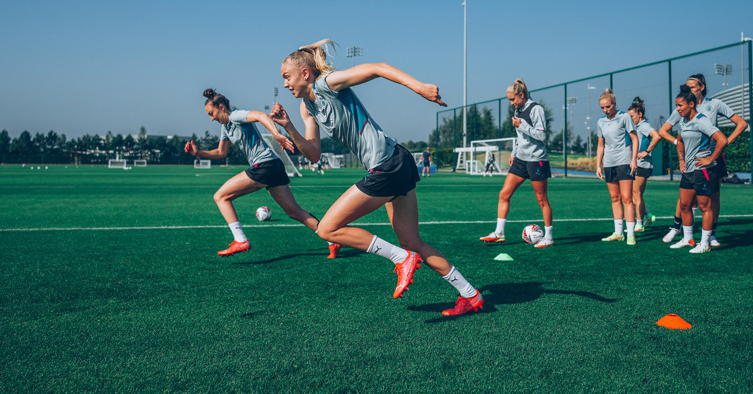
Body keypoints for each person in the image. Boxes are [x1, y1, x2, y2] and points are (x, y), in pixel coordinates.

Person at [272, 39, 486, 315]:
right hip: (396, 162)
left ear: (305, 73)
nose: (286, 84)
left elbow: (378, 68)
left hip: (388, 165)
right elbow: (313, 153)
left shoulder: (328, 84)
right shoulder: (307, 107)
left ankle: (401, 259)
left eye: (287, 77)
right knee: (411, 241)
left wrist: (419, 87)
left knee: (327, 229)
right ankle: (470, 295)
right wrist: (288, 126)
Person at [184, 89, 340, 259]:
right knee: (294, 212)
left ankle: (240, 239)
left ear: (221, 107)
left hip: (264, 166)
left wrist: (277, 135)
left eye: (211, 113)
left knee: (221, 197)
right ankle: (332, 240)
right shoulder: (226, 127)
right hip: (273, 166)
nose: (211, 118)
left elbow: (262, 116)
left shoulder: (235, 116)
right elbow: (221, 152)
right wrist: (198, 152)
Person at [658, 74, 747, 246]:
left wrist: (726, 141)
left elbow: (741, 124)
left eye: (692, 86)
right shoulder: (683, 108)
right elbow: (666, 132)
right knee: (686, 199)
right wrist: (680, 148)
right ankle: (679, 229)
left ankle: (710, 235)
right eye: (687, 86)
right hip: (693, 161)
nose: (689, 89)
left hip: (711, 159)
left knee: (713, 197)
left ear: (702, 87)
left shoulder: (714, 104)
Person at [479, 79, 554, 247]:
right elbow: (520, 138)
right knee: (504, 194)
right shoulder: (518, 111)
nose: (512, 103)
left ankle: (548, 237)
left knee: (542, 200)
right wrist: (514, 153)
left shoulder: (537, 109)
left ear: (521, 95)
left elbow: (542, 135)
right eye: (510, 101)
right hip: (520, 160)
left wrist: (522, 125)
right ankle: (499, 233)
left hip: (537, 161)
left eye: (513, 99)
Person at [670, 84, 728, 253]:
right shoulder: (682, 122)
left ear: (691, 104)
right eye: (677, 105)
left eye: (680, 105)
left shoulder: (702, 121)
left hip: (703, 171)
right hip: (688, 171)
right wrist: (681, 160)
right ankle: (688, 239)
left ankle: (705, 244)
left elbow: (722, 140)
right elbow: (679, 141)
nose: (678, 109)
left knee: (704, 207)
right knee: (685, 206)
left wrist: (710, 158)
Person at [595, 88, 639, 245]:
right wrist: (598, 165)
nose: (606, 110)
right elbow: (601, 145)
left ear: (614, 103)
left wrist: (633, 160)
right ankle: (618, 233)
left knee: (627, 198)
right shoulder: (601, 122)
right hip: (609, 164)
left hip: (624, 162)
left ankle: (631, 234)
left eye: (608, 106)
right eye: (602, 107)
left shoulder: (625, 117)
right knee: (615, 198)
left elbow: (634, 139)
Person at [627, 97, 661, 233]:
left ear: (639, 114)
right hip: (636, 164)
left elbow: (657, 136)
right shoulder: (636, 126)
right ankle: (648, 215)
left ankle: (639, 224)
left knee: (637, 195)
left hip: (643, 165)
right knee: (632, 195)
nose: (630, 119)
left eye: (632, 116)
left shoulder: (644, 125)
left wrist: (646, 151)